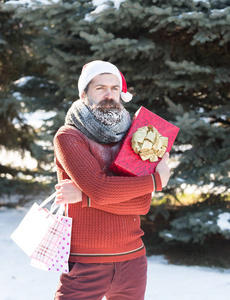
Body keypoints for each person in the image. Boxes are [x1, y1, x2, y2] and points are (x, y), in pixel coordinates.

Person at [53, 60, 170, 300]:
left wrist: (84, 197)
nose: (109, 94)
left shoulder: (134, 137)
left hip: (132, 261)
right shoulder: (68, 136)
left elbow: (142, 204)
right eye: (100, 88)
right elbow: (101, 189)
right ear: (84, 94)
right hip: (85, 264)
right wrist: (155, 182)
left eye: (114, 88)